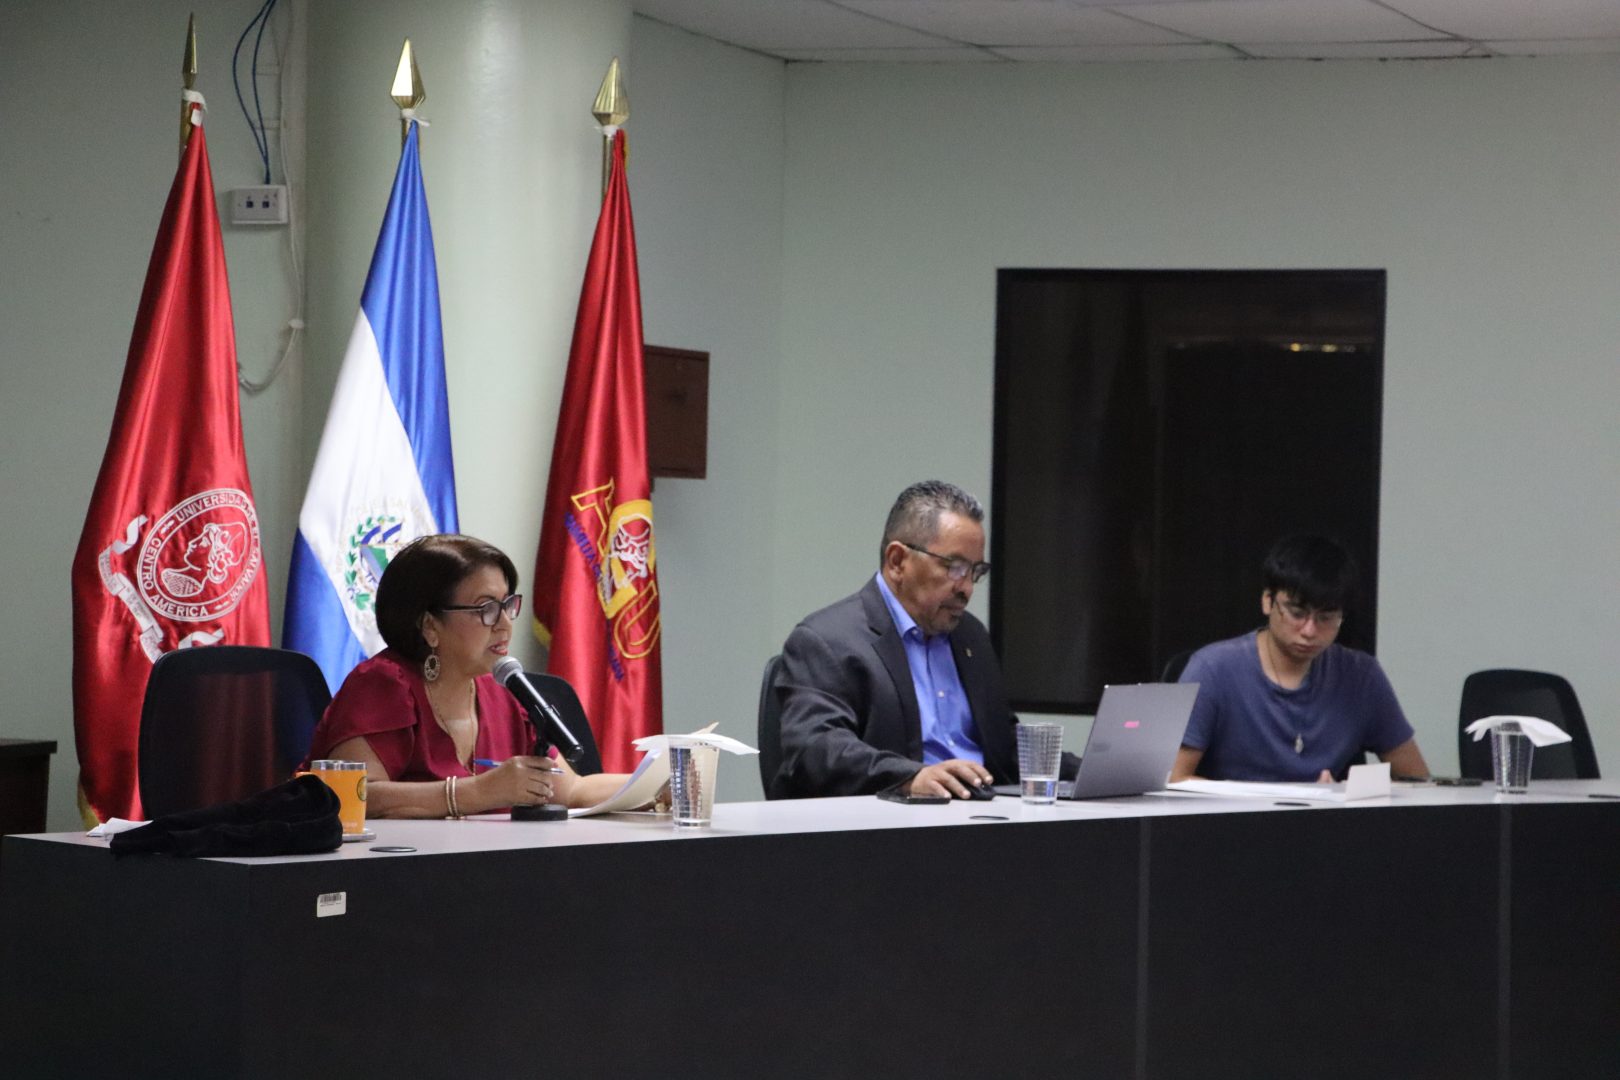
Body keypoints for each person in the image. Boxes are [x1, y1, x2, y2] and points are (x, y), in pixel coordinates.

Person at [305, 534, 629, 818]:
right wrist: (478, 792)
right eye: (486, 609)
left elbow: (572, 790)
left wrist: (654, 787)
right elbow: (355, 796)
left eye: (507, 605)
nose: (504, 624)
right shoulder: (383, 683)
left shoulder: (503, 692)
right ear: (430, 625)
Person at [772, 481, 1037, 799]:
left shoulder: (971, 636)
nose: (967, 588)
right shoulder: (826, 640)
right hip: (888, 819)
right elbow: (815, 749)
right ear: (897, 561)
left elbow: (1004, 745)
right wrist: (910, 777)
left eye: (975, 571)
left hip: (984, 811)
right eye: (954, 568)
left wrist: (1085, 772)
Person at [1170, 534, 1429, 784]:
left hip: (1327, 813)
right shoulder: (1213, 669)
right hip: (1233, 814)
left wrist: (1345, 793)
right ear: (1268, 601)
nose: (1309, 631)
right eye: (1296, 613)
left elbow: (1417, 781)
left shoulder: (1361, 676)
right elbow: (1174, 780)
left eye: (1326, 618)